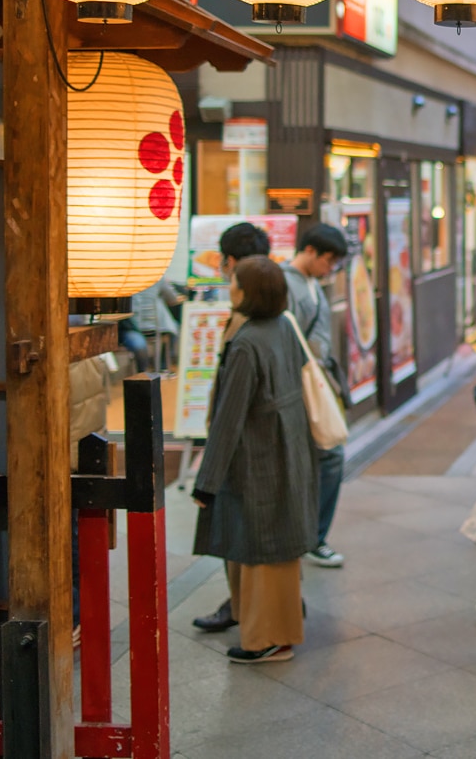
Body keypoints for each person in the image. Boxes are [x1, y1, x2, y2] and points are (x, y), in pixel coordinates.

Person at [191, 256, 318, 664]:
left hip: (256, 456)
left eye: (235, 284)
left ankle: (268, 638)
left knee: (259, 547)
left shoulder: (246, 343)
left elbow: (228, 419)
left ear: (248, 293)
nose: (230, 289)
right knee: (279, 545)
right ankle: (273, 628)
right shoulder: (283, 328)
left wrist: (204, 482)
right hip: (289, 448)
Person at [193, 222, 274, 635]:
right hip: (266, 446)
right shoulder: (273, 310)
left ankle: (253, 611)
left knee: (243, 531)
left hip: (247, 449)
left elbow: (230, 409)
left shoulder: (247, 326)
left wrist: (207, 476)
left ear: (229, 263)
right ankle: (254, 605)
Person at [283, 224, 350, 569]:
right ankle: (311, 538)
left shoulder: (311, 284)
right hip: (300, 387)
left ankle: (310, 536)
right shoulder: (286, 283)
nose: (331, 269)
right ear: (310, 250)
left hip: (314, 383)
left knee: (327, 457)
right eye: (329, 261)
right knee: (329, 456)